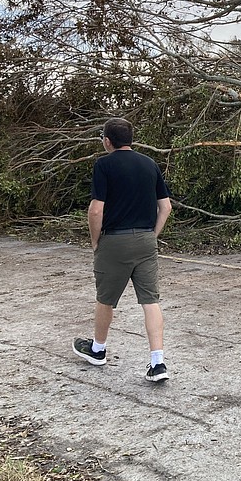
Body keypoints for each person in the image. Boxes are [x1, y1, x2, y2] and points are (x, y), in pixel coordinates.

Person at [72, 117, 173, 382]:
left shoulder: (104, 165)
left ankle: (98, 350)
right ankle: (158, 363)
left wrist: (95, 241)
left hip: (114, 241)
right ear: (131, 139)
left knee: (106, 298)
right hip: (145, 241)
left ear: (107, 141)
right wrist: (152, 235)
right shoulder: (149, 164)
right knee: (150, 300)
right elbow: (166, 207)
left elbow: (96, 209)